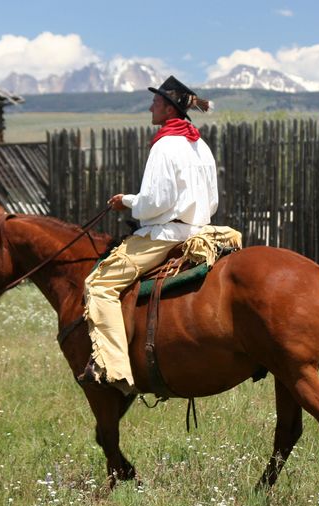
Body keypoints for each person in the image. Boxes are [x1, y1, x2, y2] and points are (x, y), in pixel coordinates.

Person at [78, 76, 218, 394]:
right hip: (201, 230)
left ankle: (113, 369)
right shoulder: (200, 144)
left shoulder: (165, 145)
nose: (150, 106)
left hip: (167, 234)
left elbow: (155, 203)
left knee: (98, 285)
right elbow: (212, 200)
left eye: (155, 101)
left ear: (169, 108)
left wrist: (126, 202)